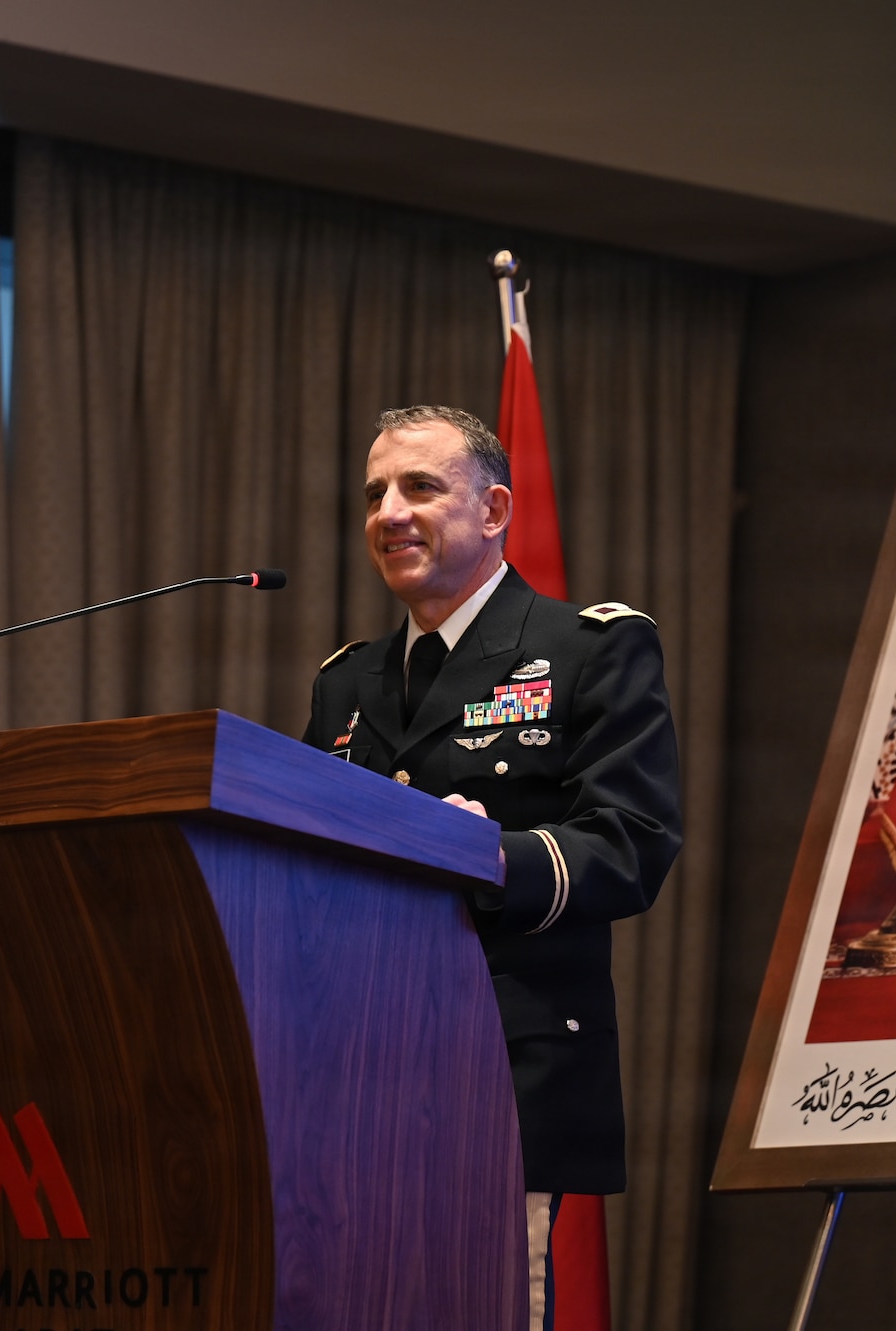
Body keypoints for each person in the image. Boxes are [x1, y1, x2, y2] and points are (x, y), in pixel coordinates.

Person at [301, 404, 682, 1329]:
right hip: (353, 1079)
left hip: (502, 1076)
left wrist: (485, 856)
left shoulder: (588, 648)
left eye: (419, 486)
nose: (388, 511)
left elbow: (633, 842)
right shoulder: (344, 682)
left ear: (497, 508)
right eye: (374, 493)